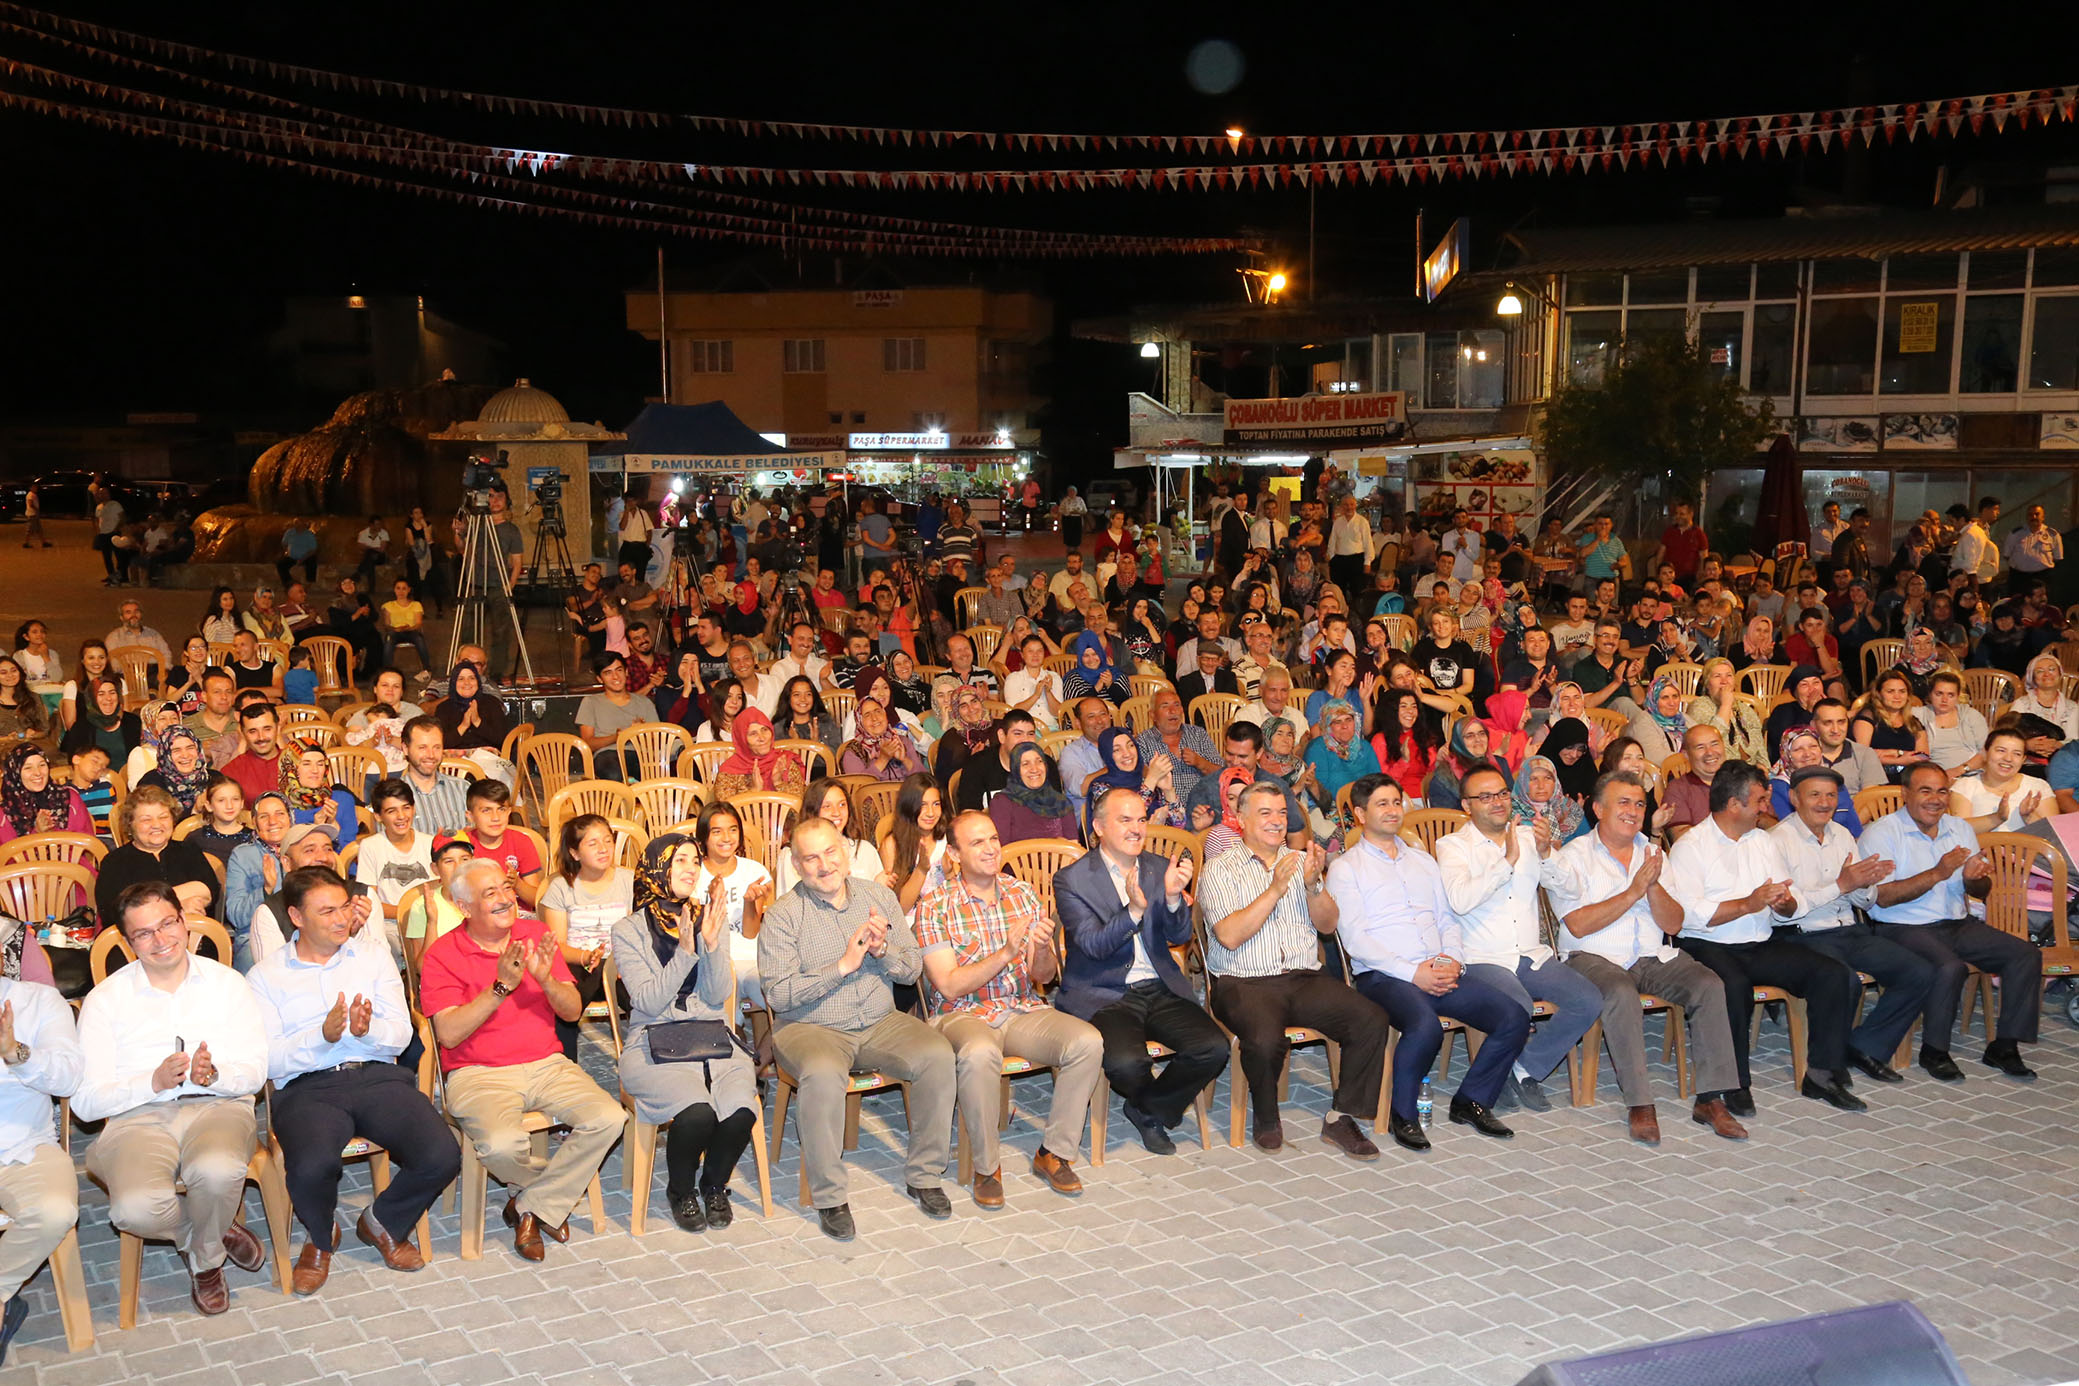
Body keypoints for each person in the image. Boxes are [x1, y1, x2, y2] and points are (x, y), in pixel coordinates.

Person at [248, 866, 455, 1293]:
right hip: (308, 1088)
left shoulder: (373, 957)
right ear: (296, 916)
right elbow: (269, 1060)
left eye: (344, 906)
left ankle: (383, 1222)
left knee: (442, 1153)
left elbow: (401, 1033)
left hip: (377, 1076)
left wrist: (367, 1030)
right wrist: (321, 1037)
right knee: (311, 1166)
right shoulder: (265, 976)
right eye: (327, 912)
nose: (342, 919)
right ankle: (321, 1236)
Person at [75, 883, 269, 1315]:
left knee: (216, 1170)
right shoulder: (105, 1000)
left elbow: (256, 1071)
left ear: (185, 921)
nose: (160, 940)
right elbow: (85, 1104)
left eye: (167, 924)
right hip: (138, 1116)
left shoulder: (227, 983)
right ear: (127, 941)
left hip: (218, 1104)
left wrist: (215, 1075)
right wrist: (153, 1082)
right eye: (144, 933)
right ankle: (209, 1233)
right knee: (133, 1210)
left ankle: (206, 1264)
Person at [758, 817, 956, 1240]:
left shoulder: (878, 897)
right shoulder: (782, 916)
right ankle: (829, 1196)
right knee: (823, 1073)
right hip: (810, 1026)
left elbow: (912, 969)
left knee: (938, 1054)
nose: (824, 865)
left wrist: (882, 951)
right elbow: (779, 995)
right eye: (811, 858)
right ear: (796, 865)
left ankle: (924, 1175)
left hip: (879, 1020)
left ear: (846, 853)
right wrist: (842, 966)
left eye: (831, 852)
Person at [418, 859, 624, 1260]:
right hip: (478, 1073)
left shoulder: (536, 933)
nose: (504, 899)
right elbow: (448, 1034)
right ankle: (546, 1199)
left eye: (506, 888)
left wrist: (545, 979)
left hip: (547, 1064)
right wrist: (500, 987)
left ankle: (529, 1206)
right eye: (490, 893)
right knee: (500, 1146)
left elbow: (571, 1011)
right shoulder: (442, 954)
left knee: (610, 1118)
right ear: (464, 907)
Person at [1539, 771, 1746, 1145]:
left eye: (1639, 804)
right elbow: (1579, 925)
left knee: (1708, 984)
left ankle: (1711, 1099)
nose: (1633, 811)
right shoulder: (1573, 857)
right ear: (1598, 809)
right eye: (1623, 802)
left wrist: (1652, 888)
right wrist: (1634, 890)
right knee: (1620, 992)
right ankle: (1640, 1103)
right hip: (1592, 956)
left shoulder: (1654, 854)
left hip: (1650, 954)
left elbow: (1674, 923)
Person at [1326, 775, 1525, 1152]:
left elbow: (1447, 920)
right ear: (1360, 814)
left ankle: (1472, 1100)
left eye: (1396, 802)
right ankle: (1403, 1114)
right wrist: (1413, 973)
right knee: (1424, 1026)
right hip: (1384, 976)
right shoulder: (1346, 868)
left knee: (1513, 1016)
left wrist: (1453, 961)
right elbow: (1356, 941)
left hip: (1438, 967)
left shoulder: (1423, 861)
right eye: (1381, 804)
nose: (1392, 810)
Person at [914, 812, 1100, 1207]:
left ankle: (1054, 1152)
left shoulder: (1022, 894)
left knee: (1087, 1041)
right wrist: (1004, 953)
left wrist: (1043, 949)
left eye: (994, 839)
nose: (990, 849)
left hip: (1020, 1007)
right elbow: (948, 985)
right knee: (980, 1052)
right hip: (961, 1013)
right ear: (954, 854)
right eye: (977, 842)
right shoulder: (934, 905)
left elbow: (1042, 977)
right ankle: (986, 1167)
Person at [1196, 781, 1389, 1155]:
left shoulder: (1302, 862)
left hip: (1302, 977)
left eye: (1282, 812)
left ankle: (1342, 1117)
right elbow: (1230, 936)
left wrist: (1313, 886)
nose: (1276, 820)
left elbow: (1328, 925)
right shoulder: (1220, 868)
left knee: (1370, 1019)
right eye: (1265, 813)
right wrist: (1275, 889)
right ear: (1241, 819)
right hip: (1242, 981)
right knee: (1265, 1038)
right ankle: (1267, 1116)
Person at [1664, 762, 1866, 1114]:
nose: (1766, 808)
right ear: (1733, 805)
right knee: (1733, 987)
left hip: (1759, 941)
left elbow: (1788, 900)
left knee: (1831, 974)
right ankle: (1735, 1082)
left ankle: (1821, 1074)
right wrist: (1748, 903)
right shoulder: (1691, 846)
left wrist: (1786, 904)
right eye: (1759, 801)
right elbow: (1688, 916)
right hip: (1705, 944)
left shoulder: (1761, 841)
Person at [1052, 784, 1226, 1155]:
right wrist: (1132, 911)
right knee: (1126, 1063)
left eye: (1142, 820)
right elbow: (1093, 945)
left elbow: (1179, 936)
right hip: (1103, 992)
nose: (1137, 829)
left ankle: (1146, 1110)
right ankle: (1153, 1111)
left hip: (1158, 985)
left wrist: (1175, 898)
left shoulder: (1158, 868)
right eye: (1125, 820)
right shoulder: (1072, 880)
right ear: (1099, 827)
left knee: (1212, 1048)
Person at [609, 831, 758, 1233]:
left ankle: (714, 1185)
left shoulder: (708, 916)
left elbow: (717, 994)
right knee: (697, 1113)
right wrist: (686, 954)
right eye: (680, 860)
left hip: (710, 1036)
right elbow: (646, 1001)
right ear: (657, 868)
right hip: (652, 1042)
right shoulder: (628, 931)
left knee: (741, 1108)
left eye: (695, 860)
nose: (692, 868)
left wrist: (711, 945)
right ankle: (680, 1191)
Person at [1856, 763, 2043, 1081]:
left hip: (1957, 924)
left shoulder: (1959, 829)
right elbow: (1882, 898)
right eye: (1925, 791)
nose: (1935, 799)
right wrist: (1938, 873)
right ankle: (1935, 1051)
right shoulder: (1881, 834)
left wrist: (1974, 879)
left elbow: (1980, 891)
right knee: (1949, 967)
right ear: (1905, 794)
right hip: (1901, 927)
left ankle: (2004, 1046)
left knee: (2025, 954)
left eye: (1942, 791)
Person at [1434, 764, 1604, 1113]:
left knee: (1588, 1000)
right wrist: (1507, 861)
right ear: (1466, 805)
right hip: (1481, 957)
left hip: (1530, 954)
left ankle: (1523, 1068)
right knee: (1518, 1006)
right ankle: (1496, 1076)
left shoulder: (1529, 838)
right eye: (1485, 796)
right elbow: (1459, 900)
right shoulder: (1453, 846)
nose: (1497, 802)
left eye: (1502, 794)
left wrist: (1546, 853)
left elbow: (1572, 888)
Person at [1769, 764, 1929, 1085]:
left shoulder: (1842, 835)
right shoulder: (1776, 841)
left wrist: (1865, 884)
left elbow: (1864, 902)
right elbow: (1782, 912)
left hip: (1848, 929)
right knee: (1845, 981)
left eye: (1831, 795)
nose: (1825, 803)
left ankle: (1865, 1047)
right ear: (1794, 798)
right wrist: (1842, 884)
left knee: (1919, 971)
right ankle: (1830, 1062)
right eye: (1815, 795)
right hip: (1801, 936)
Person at [0, 949, 81, 1361]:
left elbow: (69, 1079)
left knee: (53, 1211)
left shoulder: (38, 1001)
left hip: (23, 1145)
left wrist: (15, 1052)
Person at [536, 815, 635, 1063]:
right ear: (575, 852)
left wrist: (625, 960)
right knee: (565, 1000)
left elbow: (640, 933)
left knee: (643, 999)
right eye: (593, 843)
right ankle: (565, 1065)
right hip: (579, 962)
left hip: (621, 964)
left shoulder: (630, 881)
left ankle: (646, 1061)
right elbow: (557, 945)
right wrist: (585, 956)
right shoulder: (561, 887)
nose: (603, 848)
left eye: (607, 841)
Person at [94, 785, 221, 927]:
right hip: (139, 940)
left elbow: (210, 891)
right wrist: (177, 907)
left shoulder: (189, 850)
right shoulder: (114, 862)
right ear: (130, 823)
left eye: (163, 817)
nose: (156, 825)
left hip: (195, 936)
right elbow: (112, 915)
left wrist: (144, 904)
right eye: (146, 820)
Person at [354, 778, 434, 924]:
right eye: (392, 811)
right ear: (378, 816)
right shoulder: (370, 846)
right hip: (389, 924)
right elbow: (368, 901)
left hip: (428, 921)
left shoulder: (430, 843)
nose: (401, 816)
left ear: (414, 809)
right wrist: (408, 913)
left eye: (406, 808)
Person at [463, 778, 544, 908]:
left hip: (519, 913)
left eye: (501, 809)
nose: (495, 818)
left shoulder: (522, 841)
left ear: (509, 812)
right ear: (470, 816)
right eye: (486, 810)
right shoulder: (462, 846)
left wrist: (517, 884)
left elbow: (537, 900)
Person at [986, 742, 1079, 845]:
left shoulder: (1061, 802)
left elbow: (1073, 847)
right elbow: (1000, 848)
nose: (1034, 769)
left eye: (1039, 762)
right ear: (1015, 769)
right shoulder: (1002, 803)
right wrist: (1051, 845)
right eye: (1025, 764)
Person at [709, 708, 806, 802]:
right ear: (742, 739)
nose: (762, 738)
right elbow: (725, 809)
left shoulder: (784, 762)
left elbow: (800, 803)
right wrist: (753, 791)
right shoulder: (729, 771)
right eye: (753, 734)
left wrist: (778, 783)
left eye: (765, 730)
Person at [0, 745, 90, 842]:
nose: (38, 773)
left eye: (42, 765)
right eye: (28, 768)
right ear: (15, 773)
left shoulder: (68, 797)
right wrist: (37, 833)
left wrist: (53, 832)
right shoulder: (6, 812)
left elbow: (88, 841)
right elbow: (9, 850)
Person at [1914, 671, 1989, 772]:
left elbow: (1986, 752)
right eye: (1939, 694)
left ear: (1958, 696)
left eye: (1950, 695)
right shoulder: (1918, 715)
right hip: (1933, 774)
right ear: (1930, 694)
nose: (1944, 700)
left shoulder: (1971, 715)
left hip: (1971, 773)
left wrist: (1958, 771)